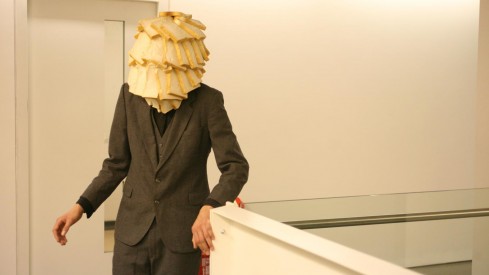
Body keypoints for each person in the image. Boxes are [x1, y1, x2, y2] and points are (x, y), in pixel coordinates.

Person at [52, 82, 249, 275]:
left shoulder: (208, 100)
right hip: (131, 233)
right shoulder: (129, 94)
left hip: (181, 235)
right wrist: (80, 207)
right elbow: (116, 164)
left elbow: (236, 167)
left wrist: (209, 207)